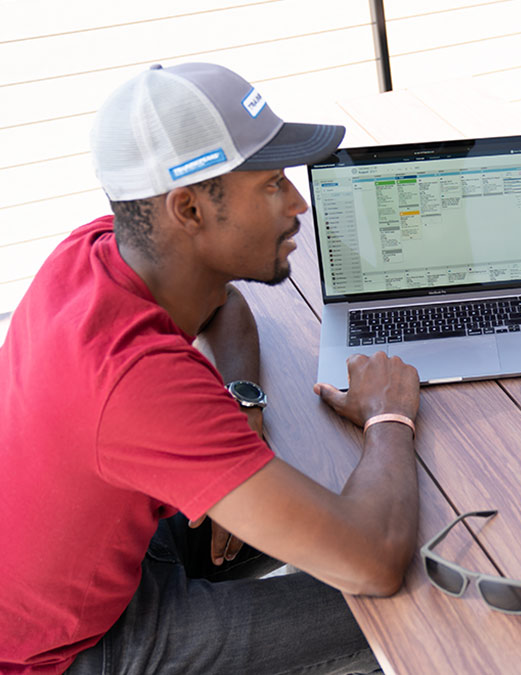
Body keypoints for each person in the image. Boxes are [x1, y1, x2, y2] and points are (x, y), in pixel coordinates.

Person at [0, 63, 421, 674]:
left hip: (106, 560)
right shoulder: (135, 379)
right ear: (190, 209)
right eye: (272, 184)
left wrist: (241, 402)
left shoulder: (95, 252)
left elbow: (223, 304)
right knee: (410, 596)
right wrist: (388, 415)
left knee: (349, 501)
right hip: (73, 651)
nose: (297, 203)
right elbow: (373, 562)